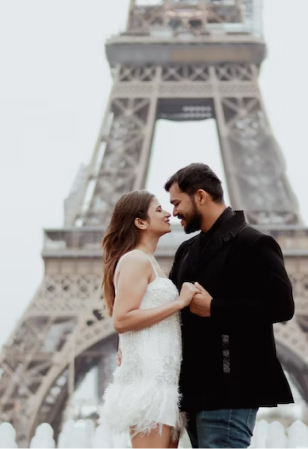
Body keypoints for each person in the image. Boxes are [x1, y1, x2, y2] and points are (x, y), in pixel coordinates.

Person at [165, 163, 296, 449]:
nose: (173, 212)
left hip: (232, 387)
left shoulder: (254, 243)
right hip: (193, 389)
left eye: (177, 202)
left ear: (200, 196)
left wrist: (215, 308)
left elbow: (283, 307)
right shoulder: (186, 251)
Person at [98, 190, 199, 448]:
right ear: (140, 222)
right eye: (158, 210)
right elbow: (122, 319)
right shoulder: (135, 260)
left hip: (164, 380)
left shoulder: (149, 262)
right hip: (149, 380)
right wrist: (179, 302)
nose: (168, 213)